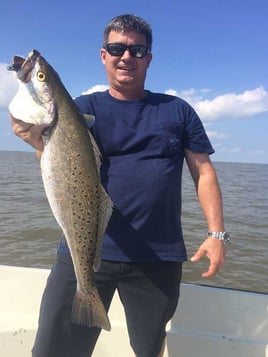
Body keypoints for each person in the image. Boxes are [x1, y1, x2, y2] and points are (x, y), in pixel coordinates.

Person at [11, 14, 228, 357]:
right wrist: (38, 142)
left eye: (137, 50)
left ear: (149, 58)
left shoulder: (178, 111)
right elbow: (60, 168)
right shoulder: (82, 109)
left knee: (149, 349)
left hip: (157, 258)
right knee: (55, 350)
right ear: (103, 55)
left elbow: (203, 171)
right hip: (82, 252)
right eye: (117, 48)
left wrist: (216, 235)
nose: (126, 56)